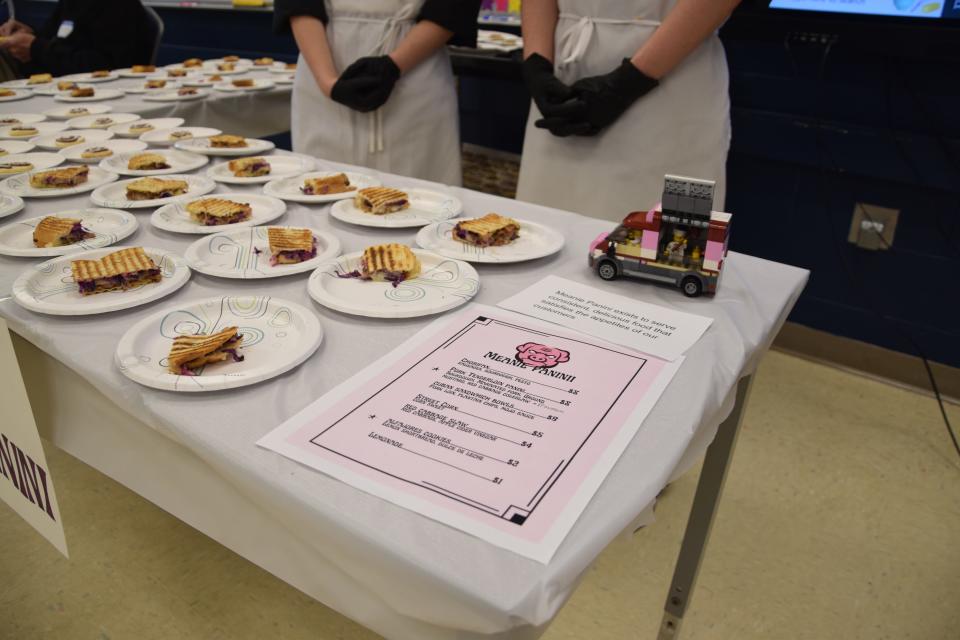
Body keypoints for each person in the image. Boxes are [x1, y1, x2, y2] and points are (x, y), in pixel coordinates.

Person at [517, 0, 740, 221]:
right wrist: (536, 64)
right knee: (544, 233)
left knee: (668, 245)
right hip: (563, 76)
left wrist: (627, 83)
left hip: (676, 74)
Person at [274, 0, 482, 186]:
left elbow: (453, 7)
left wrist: (395, 65)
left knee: (420, 190)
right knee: (321, 186)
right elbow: (297, 4)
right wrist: (328, 82)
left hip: (415, 67)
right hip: (322, 59)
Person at [0, 0, 154, 77]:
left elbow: (106, 67)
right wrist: (28, 35)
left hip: (101, 96)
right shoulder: (71, 3)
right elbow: (56, 41)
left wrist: (36, 48)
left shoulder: (117, 6)